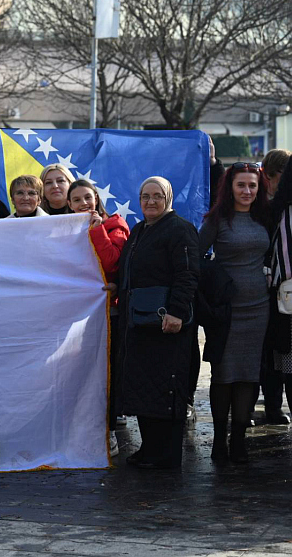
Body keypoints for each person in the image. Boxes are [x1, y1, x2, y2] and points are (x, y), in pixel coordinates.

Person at [118, 177, 199, 469]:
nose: (151, 201)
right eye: (145, 196)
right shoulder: (140, 230)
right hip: (141, 323)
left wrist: (176, 312)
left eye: (157, 196)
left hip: (168, 324)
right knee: (144, 388)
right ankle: (150, 448)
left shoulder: (180, 229)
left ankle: (166, 455)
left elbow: (188, 274)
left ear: (168, 198)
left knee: (167, 389)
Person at [199, 163, 271, 463]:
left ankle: (239, 440)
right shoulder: (218, 219)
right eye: (241, 185)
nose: (246, 191)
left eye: (252, 186)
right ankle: (219, 441)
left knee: (249, 375)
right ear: (230, 187)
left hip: (260, 309)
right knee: (224, 377)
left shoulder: (266, 217)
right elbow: (196, 255)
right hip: (225, 311)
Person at [67, 179, 130, 455]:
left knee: (106, 373)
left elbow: (112, 262)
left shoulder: (114, 227)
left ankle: (109, 430)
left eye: (88, 198)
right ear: (69, 204)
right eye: (77, 200)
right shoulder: (59, 230)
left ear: (97, 201)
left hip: (107, 313)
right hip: (70, 316)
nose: (83, 204)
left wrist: (96, 231)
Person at [258, 149, 292, 425]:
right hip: (268, 291)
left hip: (284, 292)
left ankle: (276, 408)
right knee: (272, 353)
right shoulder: (259, 205)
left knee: (285, 354)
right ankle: (272, 406)